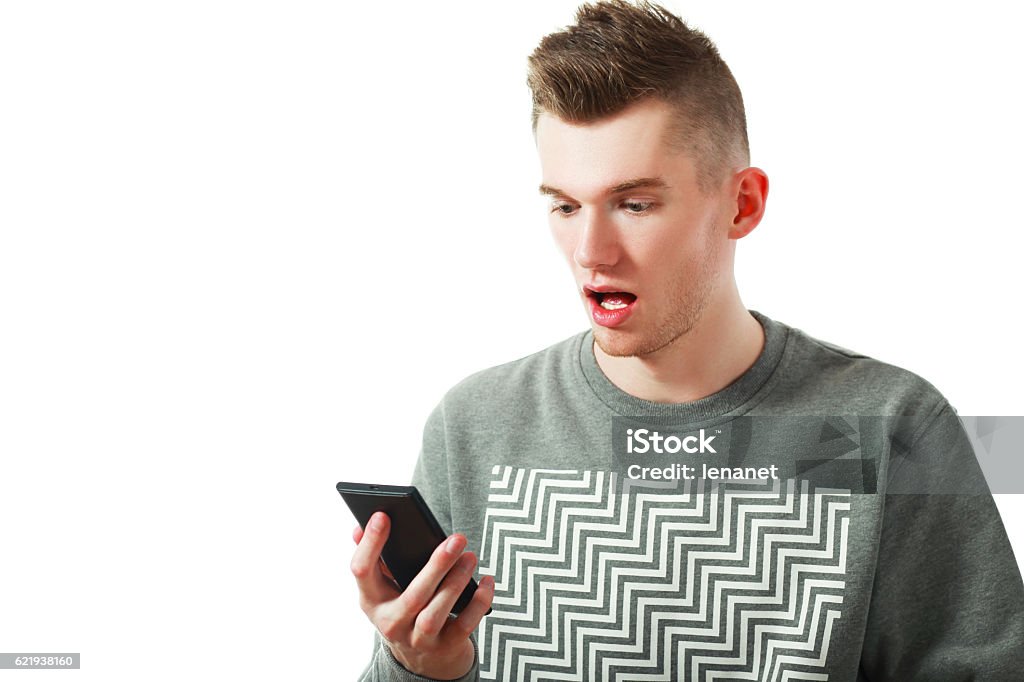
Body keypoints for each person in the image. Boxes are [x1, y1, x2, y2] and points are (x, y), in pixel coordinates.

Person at [349, 1, 1024, 679]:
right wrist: (416, 665)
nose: (591, 252)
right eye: (564, 205)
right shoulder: (475, 426)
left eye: (635, 204)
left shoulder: (891, 427)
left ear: (743, 204)